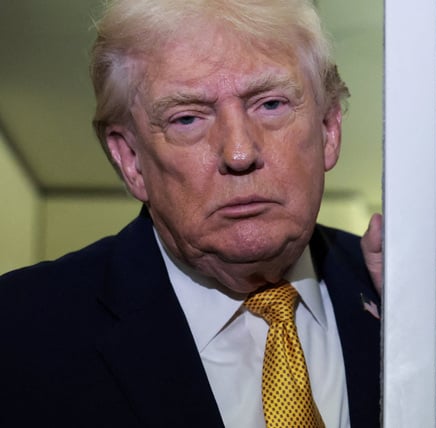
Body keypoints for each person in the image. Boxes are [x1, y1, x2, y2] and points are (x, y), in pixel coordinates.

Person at [0, 0, 383, 427]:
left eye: (271, 105)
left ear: (329, 130)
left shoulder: (410, 299)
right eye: (187, 119)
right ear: (130, 159)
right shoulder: (17, 333)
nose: (239, 153)